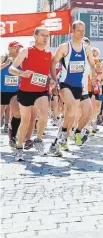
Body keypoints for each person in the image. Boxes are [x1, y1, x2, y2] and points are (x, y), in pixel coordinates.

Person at [49, 21, 96, 155]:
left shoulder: (87, 48)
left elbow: (92, 63)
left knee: (86, 112)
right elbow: (53, 64)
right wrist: (54, 79)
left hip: (79, 86)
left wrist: (93, 73)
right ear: (73, 32)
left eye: (83, 30)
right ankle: (62, 138)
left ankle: (74, 133)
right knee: (71, 109)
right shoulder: (65, 47)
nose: (81, 33)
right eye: (79, 31)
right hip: (65, 83)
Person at [9, 27, 52, 160]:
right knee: (25, 121)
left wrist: (53, 81)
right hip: (25, 91)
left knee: (44, 115)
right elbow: (12, 68)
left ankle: (38, 140)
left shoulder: (49, 54)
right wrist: (21, 73)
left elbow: (48, 73)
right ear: (35, 36)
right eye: (43, 35)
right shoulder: (26, 51)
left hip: (41, 91)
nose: (45, 38)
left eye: (47, 36)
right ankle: (19, 147)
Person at [1, 41, 23, 148]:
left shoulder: (21, 60)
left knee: (17, 112)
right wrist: (5, 64)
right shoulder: (3, 57)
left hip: (15, 91)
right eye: (17, 48)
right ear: (10, 48)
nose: (19, 50)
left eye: (20, 48)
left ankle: (13, 136)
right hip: (2, 90)